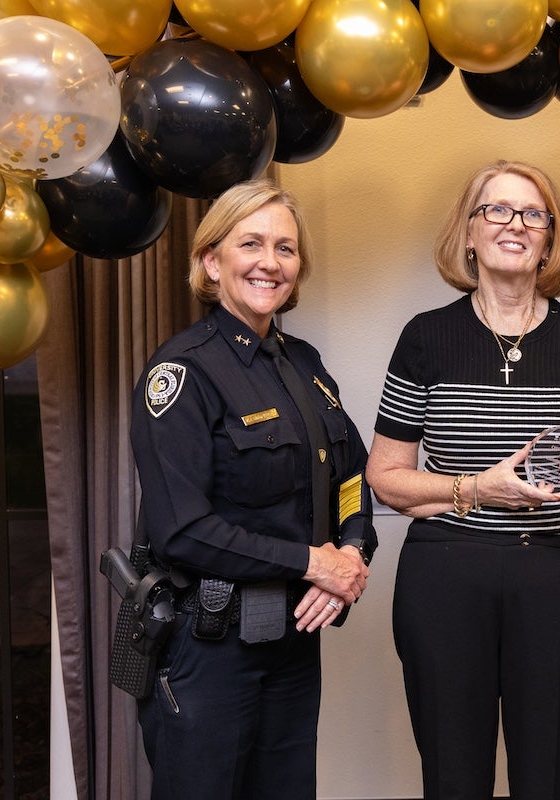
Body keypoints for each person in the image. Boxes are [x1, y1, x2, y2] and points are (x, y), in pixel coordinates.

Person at [366, 160, 560, 800]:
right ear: (469, 232)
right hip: (447, 576)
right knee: (455, 777)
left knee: (551, 775)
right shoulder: (425, 337)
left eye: (533, 213)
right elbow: (385, 477)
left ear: (550, 238)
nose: (515, 224)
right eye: (497, 210)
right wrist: (477, 489)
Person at [129, 178, 377, 800]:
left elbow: (350, 475)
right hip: (208, 648)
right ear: (211, 262)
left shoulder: (305, 364)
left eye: (286, 249)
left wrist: (351, 553)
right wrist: (312, 561)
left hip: (292, 643)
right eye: (251, 244)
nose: (271, 262)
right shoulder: (182, 372)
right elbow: (182, 530)